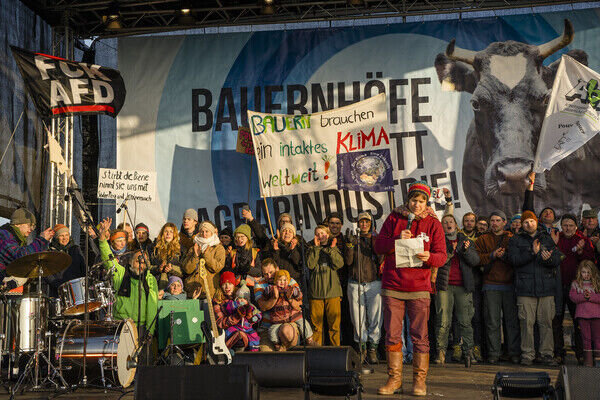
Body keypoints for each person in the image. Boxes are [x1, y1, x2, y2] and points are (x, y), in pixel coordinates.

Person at [374, 181, 446, 396]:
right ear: (408, 200)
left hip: (420, 287)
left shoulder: (434, 223)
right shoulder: (394, 218)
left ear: (427, 203)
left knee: (420, 336)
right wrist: (396, 239)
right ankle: (394, 380)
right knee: (392, 335)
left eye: (422, 201)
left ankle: (419, 382)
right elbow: (378, 246)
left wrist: (429, 256)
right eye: (414, 200)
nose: (417, 204)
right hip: (393, 285)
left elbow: (442, 256)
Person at [506, 210, 562, 366]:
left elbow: (557, 258)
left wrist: (548, 259)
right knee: (526, 323)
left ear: (536, 222)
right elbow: (513, 260)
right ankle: (527, 354)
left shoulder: (546, 237)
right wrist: (532, 252)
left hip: (546, 288)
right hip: (525, 289)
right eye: (525, 222)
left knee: (546, 323)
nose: (529, 224)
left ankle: (546, 354)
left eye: (531, 221)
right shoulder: (516, 239)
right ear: (522, 225)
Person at [434, 213, 480, 367]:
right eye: (445, 222)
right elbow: (436, 261)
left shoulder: (465, 240)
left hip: (463, 286)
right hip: (444, 286)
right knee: (443, 321)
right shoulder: (438, 240)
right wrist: (449, 254)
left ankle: (468, 352)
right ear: (441, 226)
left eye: (451, 222)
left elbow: (475, 261)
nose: (448, 224)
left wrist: (466, 251)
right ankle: (441, 352)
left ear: (456, 224)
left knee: (465, 321)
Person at [98, 217, 158, 335]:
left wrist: (150, 331)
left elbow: (152, 307)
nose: (140, 265)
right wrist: (102, 238)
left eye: (143, 262)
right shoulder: (120, 273)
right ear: (130, 262)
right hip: (120, 324)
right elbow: (107, 257)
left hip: (140, 326)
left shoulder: (150, 279)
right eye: (137, 261)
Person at [474, 211, 520, 364]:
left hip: (510, 284)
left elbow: (517, 258)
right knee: (492, 322)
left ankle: (513, 352)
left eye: (498, 220)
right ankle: (494, 353)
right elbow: (476, 259)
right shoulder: (482, 239)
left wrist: (504, 256)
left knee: (511, 322)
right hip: (490, 284)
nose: (494, 223)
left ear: (505, 222)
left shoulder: (511, 238)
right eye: (492, 220)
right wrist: (492, 255)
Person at [554, 214, 595, 364]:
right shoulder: (556, 238)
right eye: (565, 225)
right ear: (561, 226)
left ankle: (581, 354)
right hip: (558, 285)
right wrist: (554, 245)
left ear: (576, 226)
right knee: (556, 320)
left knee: (578, 321)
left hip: (576, 287)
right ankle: (558, 353)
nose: (568, 228)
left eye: (571, 225)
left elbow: (591, 261)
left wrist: (580, 252)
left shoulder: (582, 240)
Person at [346, 211, 382, 364]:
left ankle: (373, 349)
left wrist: (376, 244)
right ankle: (362, 348)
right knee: (357, 318)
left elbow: (381, 259)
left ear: (371, 223)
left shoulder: (376, 238)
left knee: (375, 317)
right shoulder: (353, 240)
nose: (364, 224)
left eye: (367, 221)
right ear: (358, 224)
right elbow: (348, 262)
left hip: (374, 282)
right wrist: (350, 246)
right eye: (361, 221)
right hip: (355, 283)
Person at [307, 225, 344, 347]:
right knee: (316, 327)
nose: (320, 236)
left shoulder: (333, 248)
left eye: (322, 233)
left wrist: (331, 249)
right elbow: (310, 265)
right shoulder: (311, 248)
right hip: (316, 293)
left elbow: (339, 264)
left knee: (335, 327)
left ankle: (336, 351)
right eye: (317, 234)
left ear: (328, 235)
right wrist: (316, 248)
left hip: (333, 292)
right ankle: (317, 352)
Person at [254, 258, 302, 351]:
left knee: (286, 331)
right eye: (265, 274)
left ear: (277, 269)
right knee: (265, 353)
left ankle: (289, 351)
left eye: (271, 272)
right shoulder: (259, 284)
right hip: (267, 326)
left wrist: (290, 299)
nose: (269, 276)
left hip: (288, 322)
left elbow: (299, 306)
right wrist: (274, 298)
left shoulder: (290, 281)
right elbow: (263, 307)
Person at [264, 269, 313, 350]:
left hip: (293, 316)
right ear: (275, 281)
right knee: (272, 331)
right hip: (278, 318)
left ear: (288, 281)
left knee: (303, 323)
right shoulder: (273, 289)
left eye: (284, 280)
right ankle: (276, 344)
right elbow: (266, 295)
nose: (282, 282)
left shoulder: (291, 288)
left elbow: (299, 296)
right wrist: (268, 291)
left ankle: (309, 339)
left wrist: (296, 293)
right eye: (280, 280)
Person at [0, 208, 54, 282]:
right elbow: (19, 256)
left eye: (33, 226)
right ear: (17, 224)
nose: (32, 229)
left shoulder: (18, 240)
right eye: (29, 225)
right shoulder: (4, 235)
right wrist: (41, 240)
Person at [213, 271, 261, 352]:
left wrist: (251, 316)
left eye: (230, 284)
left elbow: (252, 317)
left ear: (234, 285)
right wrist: (236, 316)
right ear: (221, 286)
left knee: (253, 337)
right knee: (239, 337)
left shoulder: (240, 295)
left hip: (245, 330)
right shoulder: (218, 301)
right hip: (228, 332)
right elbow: (220, 323)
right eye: (224, 284)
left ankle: (253, 352)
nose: (227, 287)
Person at [181, 220, 226, 300]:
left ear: (211, 233)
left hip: (209, 291)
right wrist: (195, 255)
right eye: (202, 231)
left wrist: (206, 255)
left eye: (206, 231)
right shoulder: (194, 247)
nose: (204, 234)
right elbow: (187, 269)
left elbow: (217, 267)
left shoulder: (218, 248)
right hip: (192, 290)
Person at [569, 260, 600, 367]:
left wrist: (590, 296)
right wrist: (583, 296)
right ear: (580, 272)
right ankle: (588, 362)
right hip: (582, 316)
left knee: (597, 338)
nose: (586, 275)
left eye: (588, 272)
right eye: (583, 272)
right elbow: (573, 297)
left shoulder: (597, 283)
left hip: (596, 316)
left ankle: (598, 361)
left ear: (593, 272)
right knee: (586, 339)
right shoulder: (576, 284)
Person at [44, 224, 86, 297]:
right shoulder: (50, 252)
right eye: (61, 235)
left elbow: (83, 268)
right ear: (56, 237)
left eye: (67, 235)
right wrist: (59, 285)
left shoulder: (76, 249)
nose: (65, 238)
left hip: (76, 290)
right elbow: (46, 274)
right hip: (58, 292)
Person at [222, 224, 261, 299]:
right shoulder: (233, 252)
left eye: (242, 236)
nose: (239, 239)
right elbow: (227, 271)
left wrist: (248, 269)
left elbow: (259, 272)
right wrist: (236, 270)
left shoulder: (255, 252)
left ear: (247, 238)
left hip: (253, 289)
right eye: (237, 237)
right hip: (236, 289)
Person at [150, 223, 183, 290]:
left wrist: (172, 268)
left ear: (174, 234)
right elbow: (148, 267)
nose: (168, 234)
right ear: (162, 233)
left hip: (174, 285)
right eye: (166, 231)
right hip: (156, 282)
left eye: (171, 232)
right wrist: (158, 268)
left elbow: (184, 271)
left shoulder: (181, 249)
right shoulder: (153, 248)